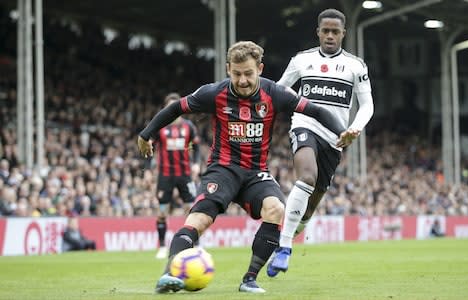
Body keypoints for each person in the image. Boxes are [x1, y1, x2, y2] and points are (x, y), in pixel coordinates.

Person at [137, 41, 345, 294]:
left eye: (248, 73)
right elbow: (175, 108)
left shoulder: (275, 93)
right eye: (236, 74)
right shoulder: (213, 93)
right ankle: (170, 274)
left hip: (255, 173)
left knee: (276, 209)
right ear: (228, 69)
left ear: (260, 68)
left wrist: (343, 132)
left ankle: (249, 279)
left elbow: (315, 110)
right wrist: (146, 134)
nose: (243, 80)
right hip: (222, 169)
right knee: (199, 220)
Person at [267, 8, 374, 277]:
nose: (329, 35)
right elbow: (281, 88)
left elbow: (367, 105)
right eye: (325, 31)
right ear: (318, 32)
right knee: (306, 177)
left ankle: (294, 228)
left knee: (310, 206)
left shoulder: (356, 65)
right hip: (305, 126)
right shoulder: (302, 60)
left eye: (335, 32)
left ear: (343, 34)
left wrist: (354, 129)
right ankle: (284, 248)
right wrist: (296, 103)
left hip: (336, 137)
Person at [152, 92, 201, 259]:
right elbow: (149, 145)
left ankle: (195, 245)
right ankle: (162, 246)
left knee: (192, 211)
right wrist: (146, 168)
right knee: (162, 211)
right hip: (165, 175)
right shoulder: (160, 127)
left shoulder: (189, 127)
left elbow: (195, 147)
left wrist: (195, 162)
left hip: (185, 174)